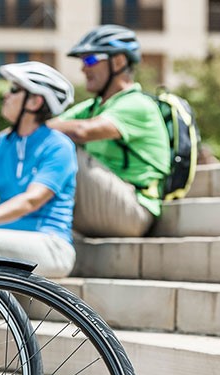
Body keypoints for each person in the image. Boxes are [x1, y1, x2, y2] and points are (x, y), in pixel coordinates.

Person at [48, 24, 170, 237]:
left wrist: (28, 131)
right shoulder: (93, 107)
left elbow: (80, 132)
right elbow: (43, 130)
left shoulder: (137, 104)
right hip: (104, 204)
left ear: (119, 61)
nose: (83, 68)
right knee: (33, 143)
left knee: (60, 147)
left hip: (132, 210)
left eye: (90, 59)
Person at [0, 61, 77, 278]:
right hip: (3, 240)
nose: (6, 95)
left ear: (35, 101)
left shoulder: (58, 146)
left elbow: (32, 200)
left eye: (15, 89)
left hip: (51, 245)